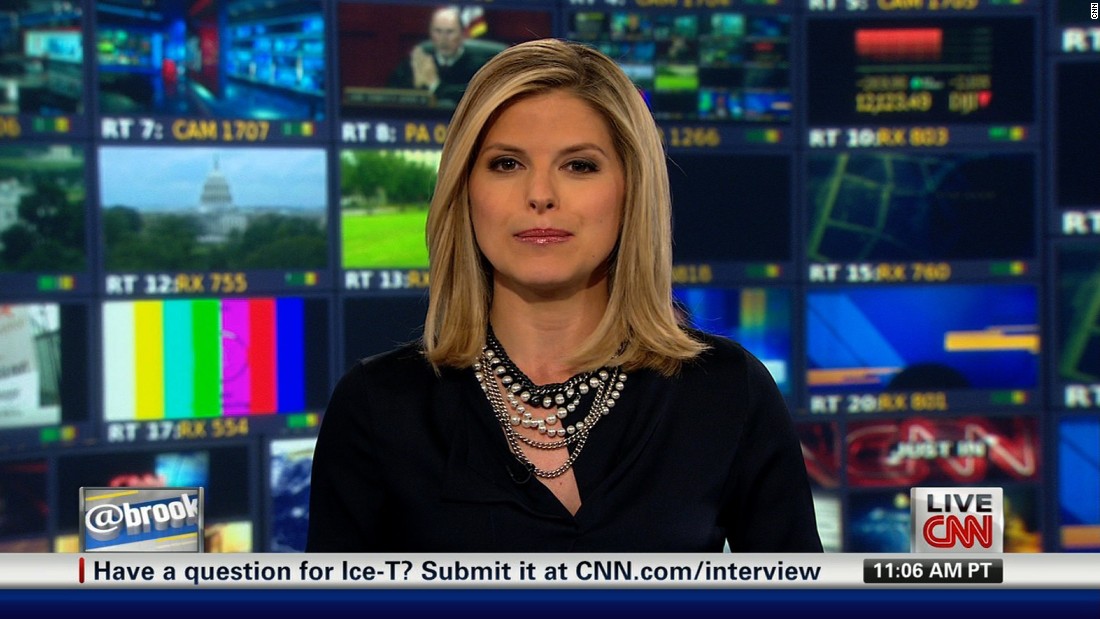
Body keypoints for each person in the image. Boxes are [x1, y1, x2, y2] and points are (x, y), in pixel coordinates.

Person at [308, 39, 822, 552]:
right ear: (464, 189)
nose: (540, 195)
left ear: (631, 189)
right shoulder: (378, 406)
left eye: (579, 165)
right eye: (506, 164)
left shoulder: (727, 392)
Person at [386, 5, 505, 109]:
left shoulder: (478, 66)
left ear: (462, 34)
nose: (444, 39)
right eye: (438, 31)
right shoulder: (418, 62)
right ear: (430, 33)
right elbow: (392, 94)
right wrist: (414, 86)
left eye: (449, 32)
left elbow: (471, 97)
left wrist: (435, 85)